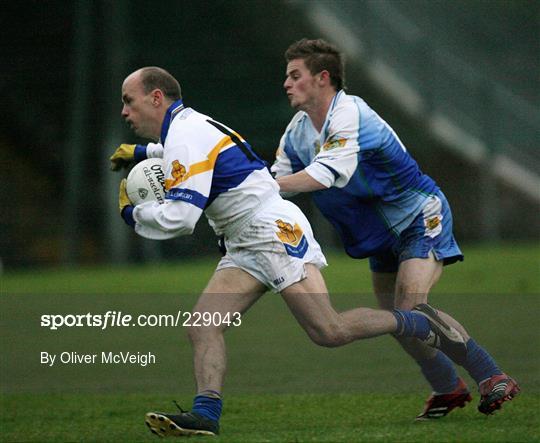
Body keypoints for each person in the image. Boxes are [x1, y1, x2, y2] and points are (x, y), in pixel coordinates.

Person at [111, 66, 468, 437]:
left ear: (156, 98)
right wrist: (140, 151)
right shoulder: (185, 128)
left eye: (128, 101)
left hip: (270, 232)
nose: (124, 111)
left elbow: (182, 218)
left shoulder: (185, 136)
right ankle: (206, 414)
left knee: (329, 331)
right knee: (202, 325)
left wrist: (132, 214)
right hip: (243, 239)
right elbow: (187, 152)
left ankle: (409, 320)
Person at [271, 38, 520, 420]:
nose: (286, 83)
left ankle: (492, 376)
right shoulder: (297, 133)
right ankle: (447, 389)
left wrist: (258, 186)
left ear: (323, 78)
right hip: (380, 237)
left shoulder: (351, 113)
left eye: (294, 75)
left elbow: (323, 175)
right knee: (398, 320)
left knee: (410, 308)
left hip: (420, 216)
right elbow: (278, 184)